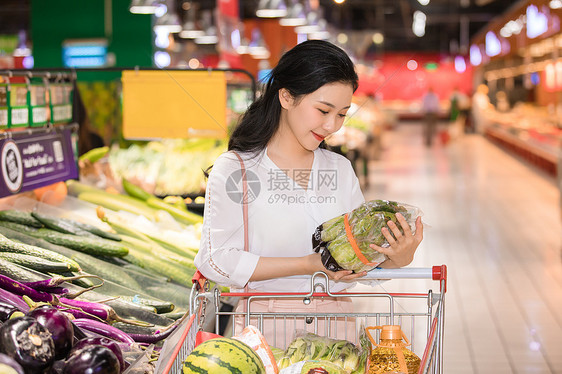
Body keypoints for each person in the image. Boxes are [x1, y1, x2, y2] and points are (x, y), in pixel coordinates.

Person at [194, 40, 423, 346]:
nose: (332, 126)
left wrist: (398, 257)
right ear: (286, 96)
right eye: (323, 110)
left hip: (336, 332)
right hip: (265, 332)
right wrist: (309, 264)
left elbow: (361, 259)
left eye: (342, 114)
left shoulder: (339, 169)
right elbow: (216, 261)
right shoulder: (237, 170)